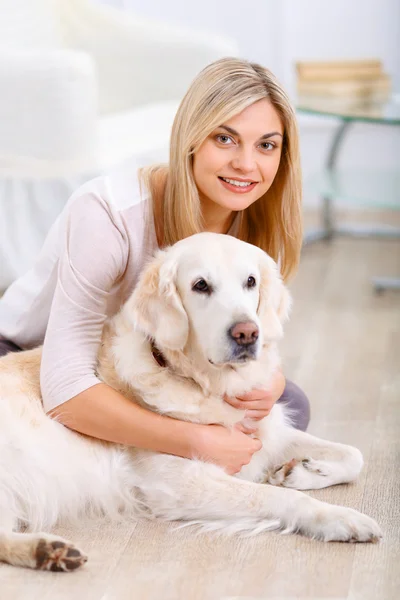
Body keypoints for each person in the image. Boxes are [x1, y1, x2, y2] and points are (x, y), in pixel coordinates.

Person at [0, 57, 309, 476]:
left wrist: (270, 381)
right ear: (191, 139)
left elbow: (252, 331)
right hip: (31, 357)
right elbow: (64, 383)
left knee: (291, 403)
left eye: (266, 145)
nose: (246, 164)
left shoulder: (252, 226)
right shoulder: (106, 213)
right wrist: (195, 441)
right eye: (225, 138)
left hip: (146, 365)